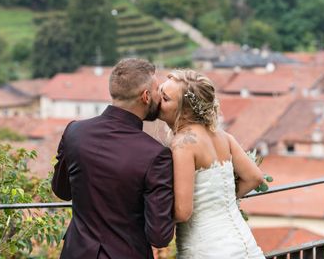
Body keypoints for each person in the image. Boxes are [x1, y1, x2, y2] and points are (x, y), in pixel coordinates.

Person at [52, 58, 175, 259]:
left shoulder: (74, 132)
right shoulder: (155, 155)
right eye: (156, 91)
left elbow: (62, 191)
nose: (159, 97)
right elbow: (159, 237)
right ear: (145, 96)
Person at [158, 69, 265, 258]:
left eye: (165, 99)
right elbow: (254, 177)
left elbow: (183, 212)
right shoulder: (223, 136)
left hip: (208, 250)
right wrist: (220, 202)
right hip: (244, 244)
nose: (158, 100)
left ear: (185, 111)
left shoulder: (183, 144)